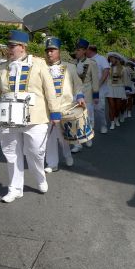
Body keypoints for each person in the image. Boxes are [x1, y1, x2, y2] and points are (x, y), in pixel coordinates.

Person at [0, 30, 61, 202]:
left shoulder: (39, 64)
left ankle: (40, 177)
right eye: (8, 46)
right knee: (11, 153)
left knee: (35, 152)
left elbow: (50, 89)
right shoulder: (3, 67)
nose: (9, 49)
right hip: (7, 118)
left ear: (22, 47)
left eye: (12, 46)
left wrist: (55, 112)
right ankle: (15, 188)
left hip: (35, 117)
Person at [43, 37, 84, 172]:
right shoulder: (41, 68)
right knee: (49, 137)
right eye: (47, 50)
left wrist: (79, 96)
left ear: (59, 51)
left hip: (66, 107)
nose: (49, 53)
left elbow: (78, 85)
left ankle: (67, 154)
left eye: (52, 50)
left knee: (63, 136)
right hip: (47, 108)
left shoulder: (70, 67)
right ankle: (52, 163)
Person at [71, 41, 100, 153]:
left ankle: (88, 136)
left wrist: (96, 94)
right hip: (75, 95)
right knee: (75, 119)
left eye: (78, 50)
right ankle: (78, 144)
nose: (76, 52)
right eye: (76, 50)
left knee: (88, 117)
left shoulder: (91, 63)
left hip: (87, 93)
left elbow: (95, 80)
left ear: (84, 51)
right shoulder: (73, 64)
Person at [85, 43, 110, 134]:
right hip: (87, 89)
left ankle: (103, 125)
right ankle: (91, 127)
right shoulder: (86, 60)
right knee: (89, 109)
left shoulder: (101, 59)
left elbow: (106, 71)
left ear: (90, 50)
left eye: (86, 50)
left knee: (99, 109)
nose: (84, 52)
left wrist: (98, 84)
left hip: (99, 89)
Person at [105, 52, 130, 130]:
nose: (111, 60)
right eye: (110, 58)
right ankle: (112, 122)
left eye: (112, 58)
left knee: (117, 107)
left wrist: (127, 91)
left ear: (117, 59)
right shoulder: (108, 68)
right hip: (109, 88)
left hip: (119, 88)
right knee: (111, 106)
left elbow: (126, 80)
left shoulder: (123, 69)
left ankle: (116, 118)